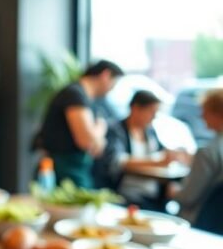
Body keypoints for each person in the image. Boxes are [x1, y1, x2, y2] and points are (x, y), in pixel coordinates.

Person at [37, 60, 123, 188]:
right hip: (65, 168)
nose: (112, 89)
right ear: (105, 75)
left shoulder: (88, 100)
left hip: (77, 166)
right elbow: (87, 141)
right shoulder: (75, 95)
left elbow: (96, 147)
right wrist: (101, 127)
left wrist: (97, 138)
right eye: (114, 83)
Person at [100, 90, 189, 210]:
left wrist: (175, 154)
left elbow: (162, 152)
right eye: (151, 112)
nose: (154, 117)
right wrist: (158, 162)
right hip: (126, 195)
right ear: (136, 108)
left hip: (154, 194)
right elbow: (117, 162)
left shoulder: (150, 132)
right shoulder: (116, 130)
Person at [173, 89, 223, 223]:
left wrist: (173, 192)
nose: (201, 116)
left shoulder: (207, 152)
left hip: (198, 219)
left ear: (217, 113)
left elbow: (188, 197)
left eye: (205, 110)